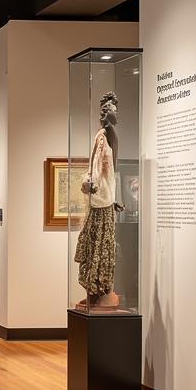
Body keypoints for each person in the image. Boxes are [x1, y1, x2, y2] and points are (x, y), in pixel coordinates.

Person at [74, 91, 122, 308]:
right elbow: (93, 167)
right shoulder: (101, 137)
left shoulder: (112, 136)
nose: (117, 114)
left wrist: (116, 198)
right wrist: (90, 184)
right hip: (99, 202)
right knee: (96, 247)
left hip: (106, 202)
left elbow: (114, 171)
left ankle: (104, 290)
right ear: (106, 113)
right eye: (113, 110)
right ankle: (94, 290)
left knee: (106, 248)